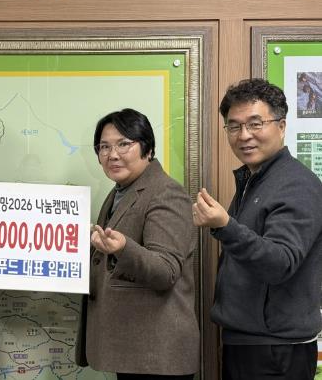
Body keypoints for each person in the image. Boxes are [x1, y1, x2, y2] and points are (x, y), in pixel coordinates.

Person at [193, 78, 322, 380]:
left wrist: (225, 226)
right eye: (234, 126)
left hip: (275, 350)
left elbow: (280, 262)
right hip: (253, 341)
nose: (244, 135)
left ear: (281, 126)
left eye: (255, 124)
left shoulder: (296, 184)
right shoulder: (258, 178)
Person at [76, 108, 199, 379]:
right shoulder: (121, 191)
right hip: (136, 350)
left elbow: (165, 271)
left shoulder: (166, 193)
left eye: (123, 144)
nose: (113, 154)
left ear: (148, 148)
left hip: (158, 354)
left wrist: (123, 248)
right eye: (104, 147)